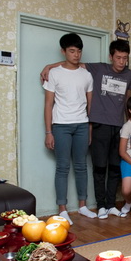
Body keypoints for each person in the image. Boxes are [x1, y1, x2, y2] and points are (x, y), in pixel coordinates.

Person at [41, 40, 131, 219]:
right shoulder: (98, 69)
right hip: (98, 124)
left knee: (114, 167)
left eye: (125, 58)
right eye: (118, 57)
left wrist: (128, 125)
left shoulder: (128, 74)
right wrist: (49, 66)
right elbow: (73, 63)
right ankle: (100, 206)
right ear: (111, 57)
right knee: (98, 167)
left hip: (117, 126)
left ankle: (110, 205)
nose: (121, 62)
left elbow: (127, 101)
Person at [43, 33, 97, 224]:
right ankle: (62, 209)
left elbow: (90, 106)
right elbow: (48, 104)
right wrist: (48, 132)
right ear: (63, 51)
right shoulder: (54, 73)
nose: (76, 55)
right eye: (72, 51)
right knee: (62, 167)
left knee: (81, 166)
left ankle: (83, 206)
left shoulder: (87, 75)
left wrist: (89, 129)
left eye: (79, 51)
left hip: (82, 124)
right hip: (61, 126)